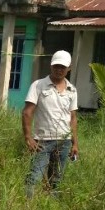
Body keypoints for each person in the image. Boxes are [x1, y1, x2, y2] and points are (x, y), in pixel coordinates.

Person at [22, 50, 78, 199]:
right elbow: (27, 112)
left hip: (64, 142)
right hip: (43, 141)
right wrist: (28, 138)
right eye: (56, 66)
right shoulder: (38, 85)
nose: (59, 70)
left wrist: (74, 144)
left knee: (56, 179)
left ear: (69, 68)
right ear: (51, 66)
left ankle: (52, 209)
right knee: (33, 178)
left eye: (63, 67)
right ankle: (27, 208)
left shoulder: (72, 90)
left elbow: (72, 118)